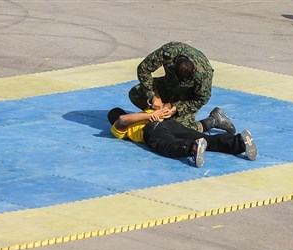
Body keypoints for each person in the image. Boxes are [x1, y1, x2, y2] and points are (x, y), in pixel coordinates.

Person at [128, 41, 235, 134]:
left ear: (194, 72)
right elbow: (143, 69)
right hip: (168, 86)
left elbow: (201, 99)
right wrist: (154, 96)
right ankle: (159, 116)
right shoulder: (169, 52)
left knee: (176, 129)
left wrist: (175, 107)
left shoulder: (204, 73)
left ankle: (214, 120)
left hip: (185, 98)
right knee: (136, 93)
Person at [107, 107, 257, 168]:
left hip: (152, 130)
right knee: (207, 139)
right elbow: (163, 107)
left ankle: (191, 147)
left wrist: (150, 115)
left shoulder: (121, 126)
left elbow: (122, 120)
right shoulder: (144, 112)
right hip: (171, 124)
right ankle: (240, 142)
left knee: (167, 145)